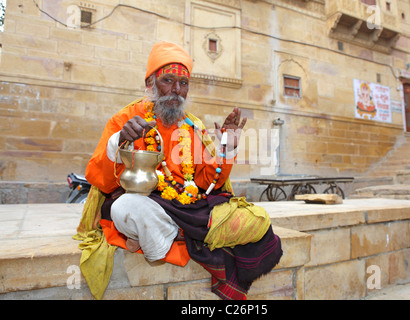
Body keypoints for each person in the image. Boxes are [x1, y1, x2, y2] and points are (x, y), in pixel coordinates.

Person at [83, 41, 282, 300]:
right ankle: (179, 234)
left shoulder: (192, 127)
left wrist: (228, 147)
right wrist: (118, 141)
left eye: (183, 83)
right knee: (123, 208)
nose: (176, 90)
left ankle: (168, 234)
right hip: (149, 203)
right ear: (150, 84)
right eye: (168, 80)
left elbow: (208, 182)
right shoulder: (126, 119)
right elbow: (100, 180)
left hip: (189, 208)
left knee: (258, 219)